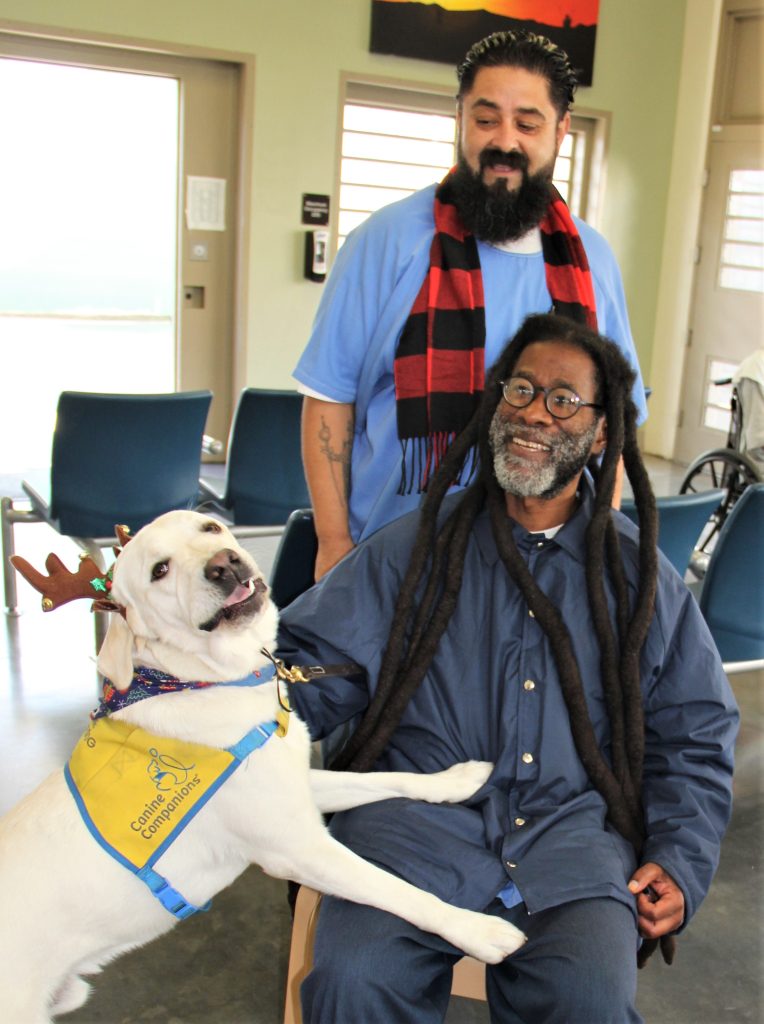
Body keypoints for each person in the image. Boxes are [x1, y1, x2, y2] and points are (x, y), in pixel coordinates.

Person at [278, 314, 738, 1024]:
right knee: (354, 978)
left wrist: (680, 858)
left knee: (589, 1000)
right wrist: (199, 679)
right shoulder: (411, 550)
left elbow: (695, 734)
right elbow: (310, 672)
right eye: (520, 390)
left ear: (603, 430)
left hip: (573, 841)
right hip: (412, 833)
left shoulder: (639, 580)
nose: (532, 412)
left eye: (562, 400)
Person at [294, 29, 648, 579]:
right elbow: (329, 403)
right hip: (396, 563)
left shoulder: (592, 262)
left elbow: (614, 427)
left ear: (560, 132)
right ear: (459, 120)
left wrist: (601, 544)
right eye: (486, 119)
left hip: (541, 570)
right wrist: (333, 543)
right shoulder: (386, 242)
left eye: (527, 124)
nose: (504, 141)